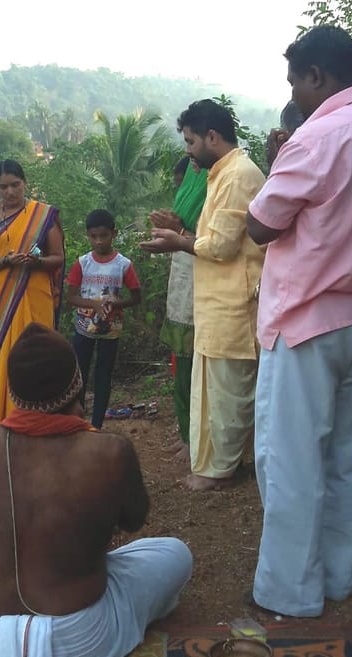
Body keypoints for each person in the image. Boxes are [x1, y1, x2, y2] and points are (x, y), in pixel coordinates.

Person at [0, 323, 192, 657]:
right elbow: (133, 521)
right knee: (176, 553)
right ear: (77, 385)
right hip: (79, 640)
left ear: (12, 392)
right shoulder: (108, 450)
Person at [246, 25, 352, 617]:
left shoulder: (318, 136)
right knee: (349, 454)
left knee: (290, 458)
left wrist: (276, 165)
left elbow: (261, 226)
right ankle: (340, 575)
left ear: (317, 75)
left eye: (296, 80)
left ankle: (291, 591)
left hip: (307, 320)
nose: (293, 93)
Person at [141, 99, 265, 491]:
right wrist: (180, 237)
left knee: (229, 395)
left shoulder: (239, 174)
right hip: (218, 304)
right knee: (215, 391)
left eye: (192, 142)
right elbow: (214, 239)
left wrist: (178, 241)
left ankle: (221, 471)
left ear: (212, 136)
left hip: (233, 306)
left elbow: (224, 246)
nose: (189, 151)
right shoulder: (222, 173)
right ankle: (220, 466)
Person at [0, 159, 65, 424]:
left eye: (15, 185)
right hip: (0, 302)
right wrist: (5, 262)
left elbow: (57, 257)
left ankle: (44, 419)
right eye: (3, 187)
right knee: (6, 359)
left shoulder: (42, 215)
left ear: (24, 182)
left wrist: (37, 263)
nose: (10, 192)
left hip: (36, 296)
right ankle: (7, 419)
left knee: (39, 355)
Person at [149, 157, 207, 462]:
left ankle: (197, 439)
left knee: (196, 374)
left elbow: (211, 240)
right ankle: (187, 435)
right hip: (183, 289)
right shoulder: (191, 196)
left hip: (201, 292)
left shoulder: (217, 191)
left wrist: (179, 229)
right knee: (182, 371)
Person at [67, 209, 141, 429]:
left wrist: (115, 303)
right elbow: (71, 297)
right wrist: (94, 305)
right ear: (87, 236)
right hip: (83, 328)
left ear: (114, 234)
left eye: (103, 236)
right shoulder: (83, 263)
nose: (98, 241)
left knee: (103, 375)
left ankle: (97, 424)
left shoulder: (123, 265)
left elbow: (136, 297)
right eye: (93, 236)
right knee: (79, 373)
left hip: (111, 330)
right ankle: (78, 422)